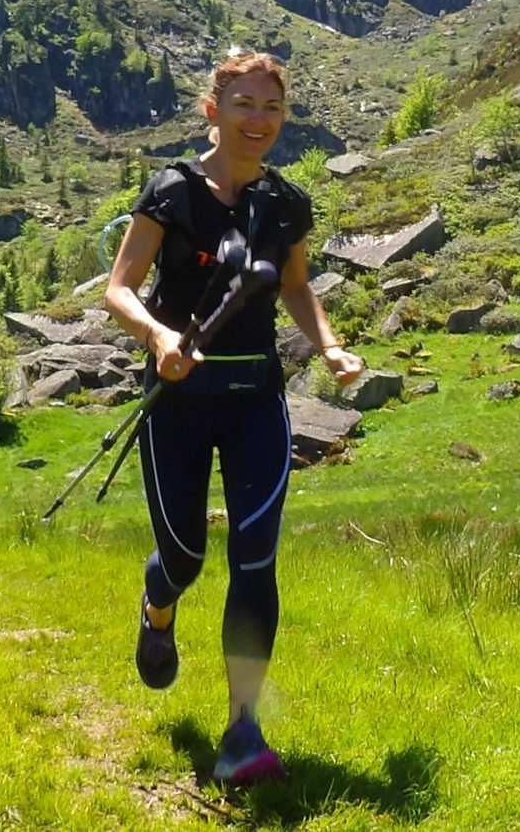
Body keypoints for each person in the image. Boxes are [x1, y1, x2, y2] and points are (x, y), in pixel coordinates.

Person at [104, 52, 365, 786]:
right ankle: (158, 609)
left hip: (256, 399)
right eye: (244, 105)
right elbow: (119, 289)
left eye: (272, 109)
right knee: (185, 556)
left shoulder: (286, 204)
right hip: (177, 402)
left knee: (254, 558)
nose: (259, 121)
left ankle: (242, 732)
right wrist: (158, 337)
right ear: (212, 111)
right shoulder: (173, 192)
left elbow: (297, 287)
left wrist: (333, 347)